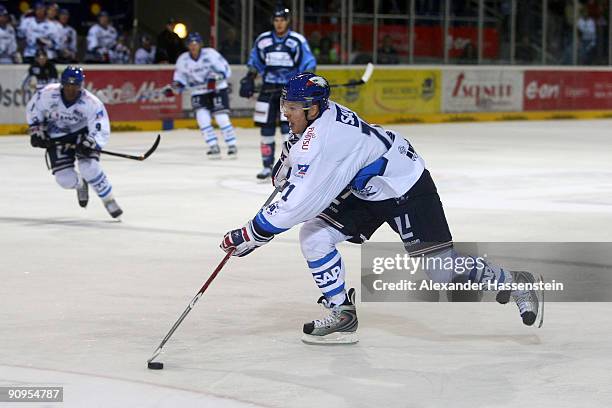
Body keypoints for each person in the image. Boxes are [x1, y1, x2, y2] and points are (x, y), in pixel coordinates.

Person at [220, 72, 541, 344]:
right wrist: (288, 162)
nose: (286, 113)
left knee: (441, 270)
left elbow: (300, 202)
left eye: (292, 108)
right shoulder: (320, 119)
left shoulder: (325, 142)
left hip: (405, 186)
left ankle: (512, 281)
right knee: (315, 237)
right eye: (284, 106)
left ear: (313, 108)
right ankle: (342, 314)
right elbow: (298, 152)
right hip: (367, 187)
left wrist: (251, 233)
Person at [26, 66, 123, 219]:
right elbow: (34, 108)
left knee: (89, 168)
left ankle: (108, 199)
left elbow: (100, 126)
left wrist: (90, 142)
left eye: (75, 85)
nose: (71, 89)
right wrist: (36, 131)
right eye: (68, 84)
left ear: (81, 85)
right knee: (64, 180)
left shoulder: (91, 102)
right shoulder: (47, 94)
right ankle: (80, 184)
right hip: (56, 135)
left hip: (81, 134)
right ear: (62, 83)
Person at [239, 5, 316, 180]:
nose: (279, 24)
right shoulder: (263, 40)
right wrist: (249, 78)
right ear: (273, 21)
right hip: (267, 89)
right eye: (276, 20)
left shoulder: (297, 41)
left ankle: (289, 166)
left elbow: (308, 62)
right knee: (265, 129)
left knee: (287, 129)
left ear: (288, 21)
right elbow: (255, 61)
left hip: (289, 93)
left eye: (282, 20)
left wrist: (307, 80)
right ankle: (266, 166)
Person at [168, 32, 236, 158]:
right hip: (198, 91)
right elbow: (179, 79)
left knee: (221, 117)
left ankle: (231, 144)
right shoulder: (183, 60)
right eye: (191, 44)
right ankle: (213, 146)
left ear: (200, 44)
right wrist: (176, 86)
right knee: (202, 118)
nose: (193, 46)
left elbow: (226, 70)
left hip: (217, 89)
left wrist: (217, 77)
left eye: (196, 43)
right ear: (187, 45)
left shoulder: (210, 54)